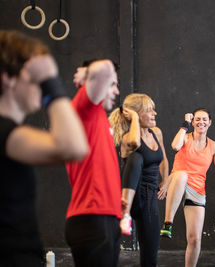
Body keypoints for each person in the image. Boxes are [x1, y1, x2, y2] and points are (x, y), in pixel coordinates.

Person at [0, 30, 88, 266]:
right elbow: (75, 148)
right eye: (35, 78)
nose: (40, 85)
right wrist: (51, 85)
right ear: (8, 77)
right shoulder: (6, 134)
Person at [65, 59, 122, 267]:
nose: (116, 91)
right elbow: (104, 67)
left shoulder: (97, 117)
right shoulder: (85, 106)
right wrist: (87, 72)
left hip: (104, 218)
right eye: (112, 84)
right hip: (92, 218)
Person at [160, 108, 215, 267]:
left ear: (210, 122)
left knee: (194, 239)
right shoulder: (185, 138)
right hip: (177, 181)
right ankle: (168, 222)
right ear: (192, 122)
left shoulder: (214, 146)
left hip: (197, 189)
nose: (201, 122)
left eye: (204, 119)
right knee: (182, 175)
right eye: (197, 119)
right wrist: (184, 124)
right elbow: (174, 146)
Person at [108, 93, 169, 267]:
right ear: (135, 114)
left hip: (149, 200)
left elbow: (163, 158)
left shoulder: (157, 132)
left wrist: (165, 180)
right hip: (131, 197)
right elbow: (135, 142)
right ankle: (124, 213)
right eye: (149, 111)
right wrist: (134, 118)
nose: (155, 114)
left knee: (150, 256)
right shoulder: (128, 138)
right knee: (137, 158)